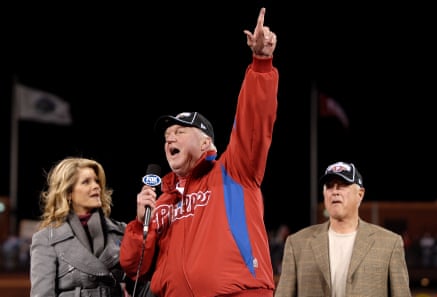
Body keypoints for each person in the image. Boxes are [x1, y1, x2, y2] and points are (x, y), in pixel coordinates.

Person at [119, 7, 278, 297]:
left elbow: (253, 124)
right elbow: (134, 266)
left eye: (179, 132)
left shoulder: (235, 171)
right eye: (167, 136)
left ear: (206, 144)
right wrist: (141, 223)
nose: (170, 140)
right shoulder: (163, 198)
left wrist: (261, 64)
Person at [274, 161, 412, 297]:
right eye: (329, 186)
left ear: (360, 194)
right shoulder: (297, 243)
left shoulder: (389, 244)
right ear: (324, 193)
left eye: (342, 185)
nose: (335, 192)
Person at [30, 157, 135, 297]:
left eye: (96, 181)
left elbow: (139, 283)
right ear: (68, 193)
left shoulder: (121, 231)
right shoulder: (46, 239)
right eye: (86, 182)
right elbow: (42, 294)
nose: (96, 186)